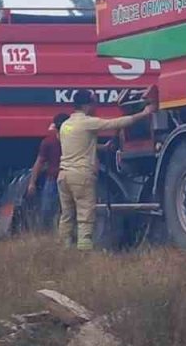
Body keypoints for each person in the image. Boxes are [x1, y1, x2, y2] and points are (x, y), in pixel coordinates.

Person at [58, 88, 156, 250]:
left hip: (63, 176)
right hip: (81, 175)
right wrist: (145, 113)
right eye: (94, 102)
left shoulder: (66, 126)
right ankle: (84, 250)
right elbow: (116, 123)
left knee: (67, 214)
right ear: (87, 105)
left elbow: (80, 145)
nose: (96, 106)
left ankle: (64, 248)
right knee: (85, 214)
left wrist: (103, 147)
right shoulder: (87, 122)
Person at [25, 112, 69, 229]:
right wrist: (31, 183)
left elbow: (39, 162)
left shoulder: (50, 141)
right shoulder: (50, 142)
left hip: (60, 179)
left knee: (54, 211)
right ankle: (50, 236)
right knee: (49, 211)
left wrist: (32, 183)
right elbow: (39, 162)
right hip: (57, 179)